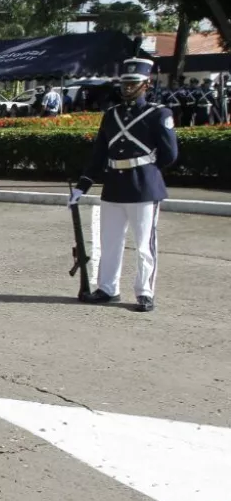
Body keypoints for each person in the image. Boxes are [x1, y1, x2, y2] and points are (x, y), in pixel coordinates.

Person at [70, 57, 177, 313]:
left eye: (133, 83)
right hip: (114, 186)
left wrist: (147, 172)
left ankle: (145, 292)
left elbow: (169, 154)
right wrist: (83, 185)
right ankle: (108, 289)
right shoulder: (111, 115)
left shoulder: (159, 114)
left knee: (144, 246)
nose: (128, 87)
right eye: (125, 83)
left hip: (143, 187)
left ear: (145, 85)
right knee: (110, 242)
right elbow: (99, 154)